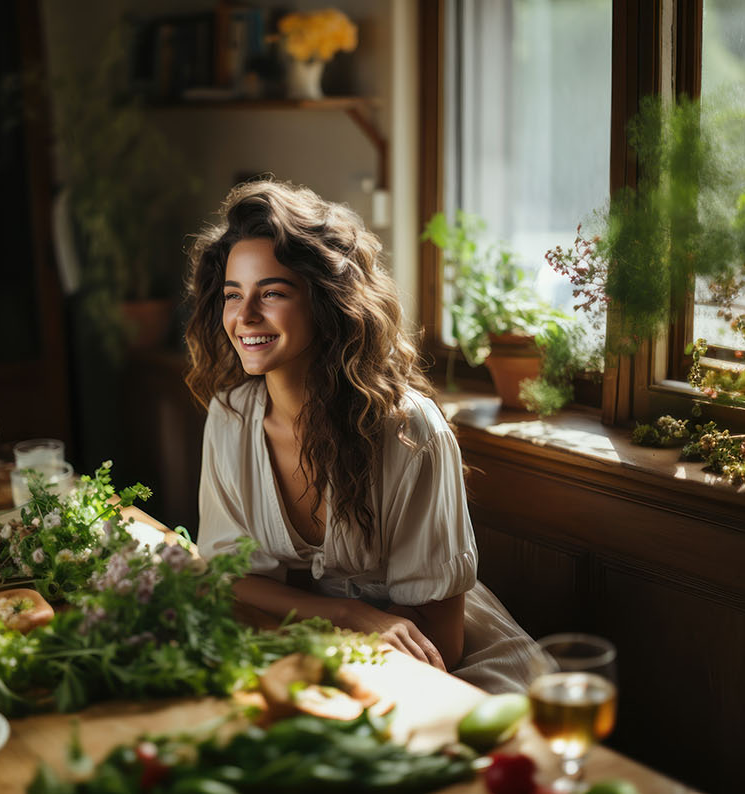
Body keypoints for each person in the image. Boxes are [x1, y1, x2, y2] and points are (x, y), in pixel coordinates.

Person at [183, 179, 547, 694]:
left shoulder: (410, 432)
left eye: (272, 293)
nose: (244, 318)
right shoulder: (231, 416)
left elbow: (444, 638)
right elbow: (227, 577)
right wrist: (347, 613)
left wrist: (354, 632)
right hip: (303, 640)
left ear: (326, 303)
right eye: (233, 295)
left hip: (427, 659)